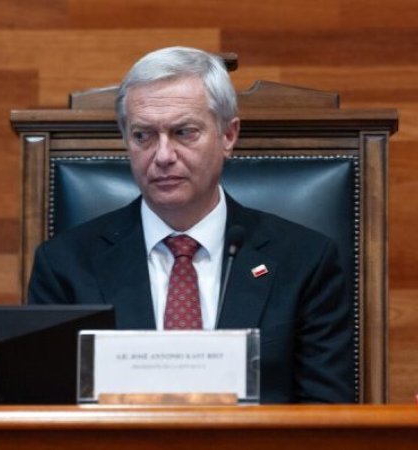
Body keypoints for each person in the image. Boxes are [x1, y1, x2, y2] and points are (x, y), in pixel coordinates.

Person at [28, 46, 354, 403]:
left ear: (228, 135)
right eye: (143, 136)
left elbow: (327, 414)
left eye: (184, 132)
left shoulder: (305, 261)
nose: (163, 156)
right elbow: (46, 411)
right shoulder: (65, 265)